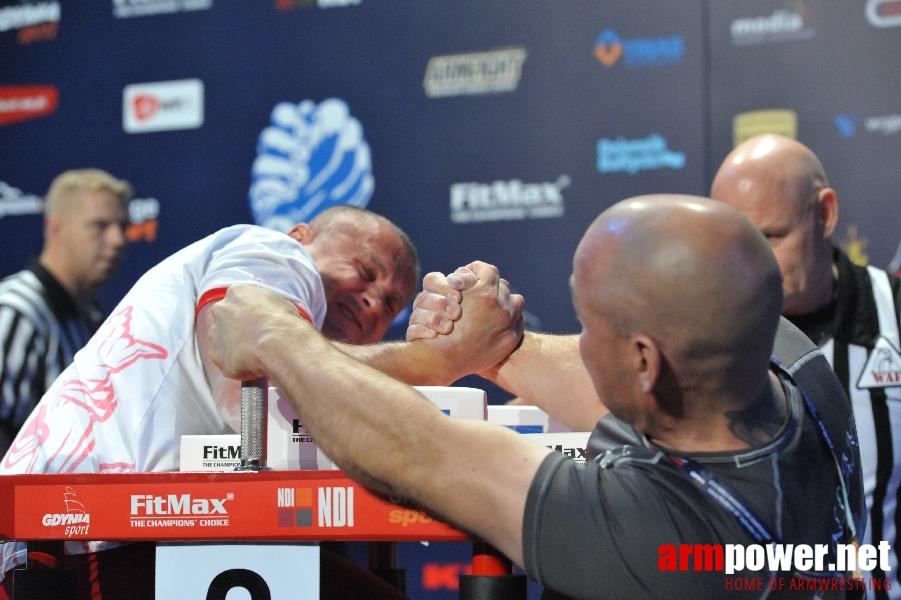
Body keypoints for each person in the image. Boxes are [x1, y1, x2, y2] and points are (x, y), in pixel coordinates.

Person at [206, 195, 864, 599]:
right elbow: (612, 383)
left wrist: (274, 337)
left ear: (642, 359)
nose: (575, 339)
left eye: (589, 324)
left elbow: (414, 450)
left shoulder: (658, 539)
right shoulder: (791, 365)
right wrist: (493, 350)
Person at [0, 205, 419, 599]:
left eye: (392, 303)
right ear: (300, 236)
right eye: (366, 272)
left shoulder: (319, 371)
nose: (374, 301)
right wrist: (434, 360)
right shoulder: (273, 251)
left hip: (134, 533)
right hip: (74, 538)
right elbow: (244, 364)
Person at [711, 134, 901, 597]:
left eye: (771, 237)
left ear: (826, 214)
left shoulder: (894, 314)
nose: (752, 264)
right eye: (736, 243)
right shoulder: (697, 334)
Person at [0, 169, 131, 454]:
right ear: (56, 228)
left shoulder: (90, 315)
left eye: (122, 226)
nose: (118, 240)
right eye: (100, 225)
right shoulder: (18, 311)